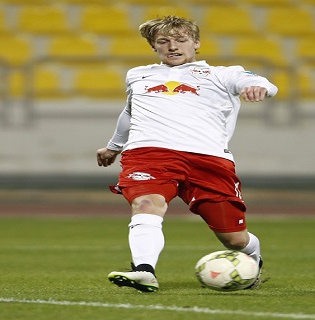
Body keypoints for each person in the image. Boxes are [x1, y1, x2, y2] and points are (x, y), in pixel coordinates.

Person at [96, 16, 277, 292]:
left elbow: (258, 81)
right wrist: (113, 146)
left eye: (181, 40)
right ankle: (144, 270)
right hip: (149, 153)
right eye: (164, 42)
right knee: (146, 204)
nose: (173, 47)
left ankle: (253, 261)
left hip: (208, 158)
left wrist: (260, 87)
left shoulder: (221, 74)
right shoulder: (138, 74)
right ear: (154, 46)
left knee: (234, 240)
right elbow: (129, 112)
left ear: (196, 43)